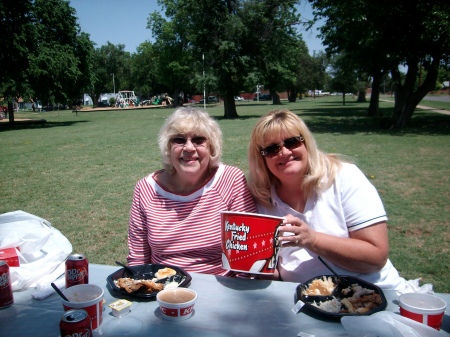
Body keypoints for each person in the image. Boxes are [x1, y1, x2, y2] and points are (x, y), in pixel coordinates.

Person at [248, 109, 406, 290]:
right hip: (304, 302)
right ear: (262, 158)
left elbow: (376, 258)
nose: (283, 152)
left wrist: (311, 239)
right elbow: (273, 270)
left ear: (306, 143)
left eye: (291, 142)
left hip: (373, 294)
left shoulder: (343, 177)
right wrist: (259, 269)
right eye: (271, 149)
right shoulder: (261, 198)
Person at [127, 107, 257, 275]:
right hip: (163, 289)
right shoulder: (145, 189)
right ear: (168, 147)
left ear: (211, 147)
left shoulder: (231, 180)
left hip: (220, 289)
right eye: (179, 140)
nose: (189, 148)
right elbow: (138, 259)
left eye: (198, 140)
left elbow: (247, 254)